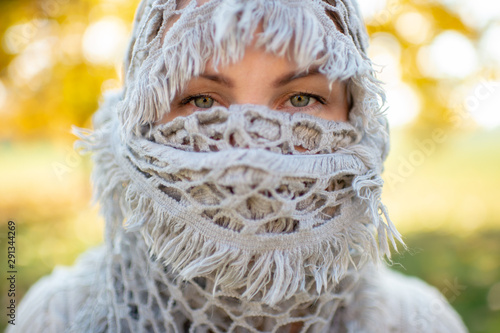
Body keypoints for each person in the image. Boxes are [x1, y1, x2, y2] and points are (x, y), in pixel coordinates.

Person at [11, 0, 468, 332]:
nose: (251, 147)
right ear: (139, 123)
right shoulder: (60, 319)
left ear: (358, 116)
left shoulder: (417, 323)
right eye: (203, 101)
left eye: (301, 98)